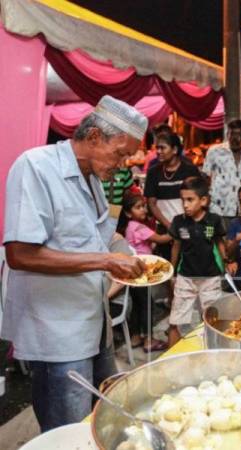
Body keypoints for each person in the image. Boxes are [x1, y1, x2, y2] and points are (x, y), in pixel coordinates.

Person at [1, 95, 148, 431]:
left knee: (96, 425)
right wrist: (106, 260)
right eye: (121, 153)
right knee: (66, 433)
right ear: (95, 137)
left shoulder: (94, 180)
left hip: (93, 324)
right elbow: (20, 253)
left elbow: (99, 237)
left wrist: (124, 251)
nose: (123, 164)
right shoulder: (37, 166)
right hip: (58, 334)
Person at [167, 176, 229, 347]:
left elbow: (219, 243)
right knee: (175, 320)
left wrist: (226, 261)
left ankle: (212, 351)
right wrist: (172, 273)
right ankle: (171, 358)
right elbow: (176, 246)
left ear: (203, 200)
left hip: (210, 278)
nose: (185, 204)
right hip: (185, 277)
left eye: (190, 200)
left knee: (212, 318)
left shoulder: (214, 220)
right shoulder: (178, 221)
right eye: (183, 200)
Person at [117, 193, 171, 352]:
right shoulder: (139, 227)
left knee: (138, 305)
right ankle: (149, 340)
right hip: (142, 272)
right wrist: (175, 231)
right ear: (128, 213)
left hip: (132, 274)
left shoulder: (128, 227)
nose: (143, 210)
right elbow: (161, 239)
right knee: (148, 305)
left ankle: (135, 337)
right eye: (138, 207)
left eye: (144, 206)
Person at [144, 130, 200, 261]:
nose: (158, 151)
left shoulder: (189, 169)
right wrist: (170, 226)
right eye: (157, 148)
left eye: (162, 148)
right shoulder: (153, 172)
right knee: (166, 266)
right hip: (164, 229)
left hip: (189, 225)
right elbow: (151, 203)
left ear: (174, 149)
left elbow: (198, 199)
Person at [202, 120, 241, 228]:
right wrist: (205, 202)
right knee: (215, 240)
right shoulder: (214, 151)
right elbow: (205, 177)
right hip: (218, 208)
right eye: (233, 134)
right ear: (228, 134)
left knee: (238, 242)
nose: (235, 138)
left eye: (239, 134)